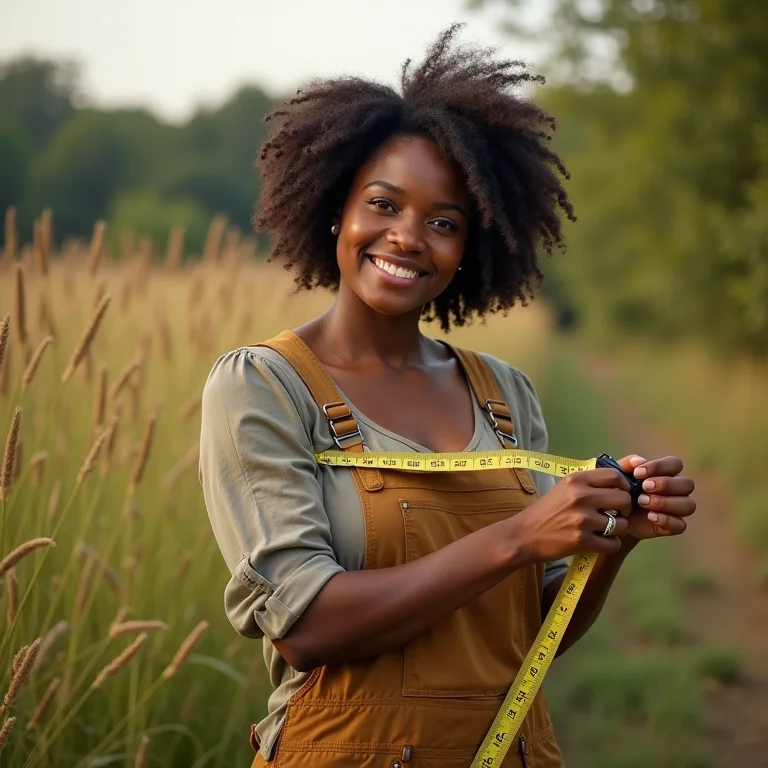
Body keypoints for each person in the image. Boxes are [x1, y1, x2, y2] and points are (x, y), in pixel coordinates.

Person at [199, 25, 696, 768]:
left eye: (443, 223)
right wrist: (520, 535)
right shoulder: (264, 386)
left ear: (470, 249)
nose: (407, 238)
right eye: (384, 204)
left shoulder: (504, 393)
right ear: (338, 206)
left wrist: (612, 537)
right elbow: (306, 623)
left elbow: (528, 632)